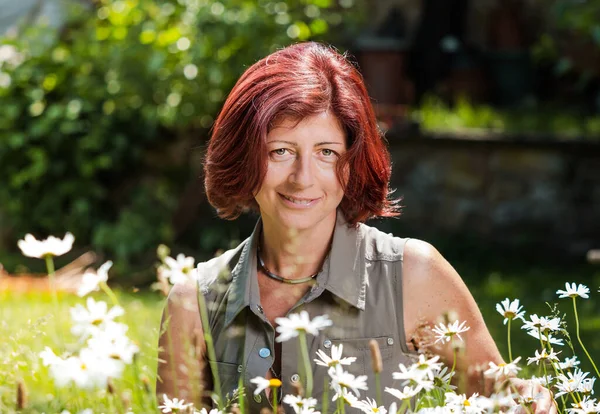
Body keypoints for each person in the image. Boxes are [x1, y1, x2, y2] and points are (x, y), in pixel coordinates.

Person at [156, 42, 555, 413]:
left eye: (326, 152)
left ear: (352, 161)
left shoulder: (415, 275)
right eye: (281, 151)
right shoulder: (194, 302)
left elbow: (496, 393)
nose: (303, 178)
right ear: (245, 158)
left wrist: (526, 395)